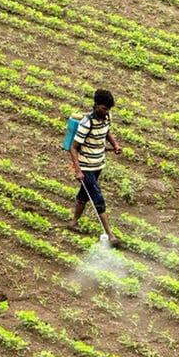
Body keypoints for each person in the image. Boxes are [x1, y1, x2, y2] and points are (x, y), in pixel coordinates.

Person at [68, 89, 123, 246]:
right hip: (86, 166)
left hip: (98, 163)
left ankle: (73, 223)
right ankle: (110, 235)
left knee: (85, 194)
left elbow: (106, 132)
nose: (106, 112)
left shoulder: (106, 118)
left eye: (108, 109)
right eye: (104, 109)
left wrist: (115, 145)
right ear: (96, 105)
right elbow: (73, 147)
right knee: (97, 196)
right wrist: (78, 170)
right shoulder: (87, 123)